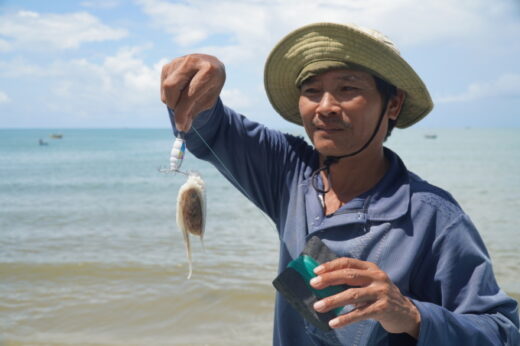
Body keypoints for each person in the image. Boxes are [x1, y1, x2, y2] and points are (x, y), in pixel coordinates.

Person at [160, 23, 519, 345]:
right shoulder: (288, 171)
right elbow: (211, 127)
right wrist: (204, 71)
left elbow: (502, 330)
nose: (326, 106)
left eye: (348, 88)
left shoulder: (434, 218)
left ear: (393, 104)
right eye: (312, 90)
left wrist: (411, 315)